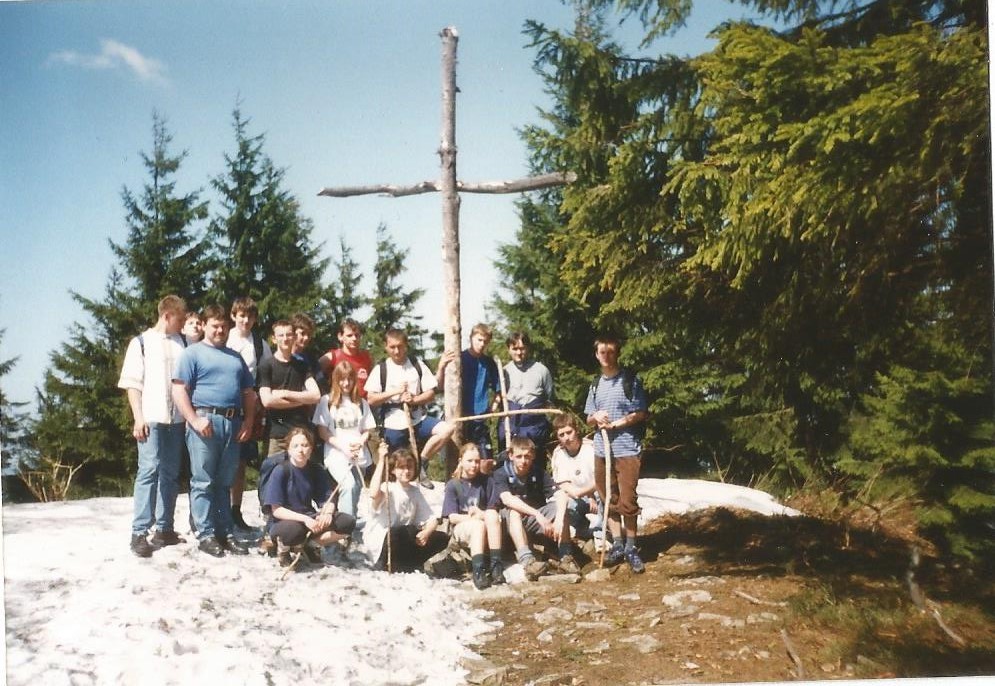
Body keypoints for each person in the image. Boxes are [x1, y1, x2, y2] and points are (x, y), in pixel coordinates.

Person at [171, 304, 258, 557]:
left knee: (224, 481)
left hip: (233, 423)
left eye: (223, 326)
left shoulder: (235, 357)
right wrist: (194, 419)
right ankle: (206, 534)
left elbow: (248, 393)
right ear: (204, 326)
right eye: (214, 326)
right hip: (204, 420)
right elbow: (179, 389)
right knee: (203, 480)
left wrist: (248, 422)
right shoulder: (192, 354)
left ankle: (225, 531)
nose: (220, 330)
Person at [118, 295, 189, 557]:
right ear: (167, 316)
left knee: (170, 473)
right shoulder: (141, 343)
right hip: (151, 418)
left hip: (177, 420)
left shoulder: (183, 343)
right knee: (149, 470)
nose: (182, 324)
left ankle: (164, 528)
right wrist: (138, 417)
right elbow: (132, 384)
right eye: (179, 319)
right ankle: (139, 533)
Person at [584, 334, 650, 573]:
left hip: (626, 448)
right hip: (602, 450)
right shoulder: (595, 384)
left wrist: (617, 424)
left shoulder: (630, 380)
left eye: (610, 352)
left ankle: (632, 547)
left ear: (617, 353)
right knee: (607, 498)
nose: (606, 356)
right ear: (596, 354)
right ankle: (618, 544)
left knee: (628, 500)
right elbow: (588, 417)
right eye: (602, 352)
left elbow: (640, 412)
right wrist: (596, 417)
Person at [364, 328, 455, 489]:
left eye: (400, 346)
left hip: (417, 419)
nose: (396, 351)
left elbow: (431, 393)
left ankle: (422, 463)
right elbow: (371, 399)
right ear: (386, 346)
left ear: (406, 345)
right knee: (395, 466)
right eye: (392, 347)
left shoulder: (416, 365)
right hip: (393, 422)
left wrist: (414, 400)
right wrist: (395, 392)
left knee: (447, 429)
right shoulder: (381, 369)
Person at [261, 427, 356, 567]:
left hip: (310, 517)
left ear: (311, 449)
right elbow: (277, 510)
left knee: (347, 522)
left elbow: (327, 498)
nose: (301, 450)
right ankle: (284, 550)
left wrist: (327, 513)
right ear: (289, 449)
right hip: (285, 521)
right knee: (294, 531)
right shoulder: (281, 471)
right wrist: (305, 519)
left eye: (305, 445)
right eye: (296, 446)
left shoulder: (316, 469)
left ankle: (310, 545)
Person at [226, 296, 272, 530]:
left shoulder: (260, 344)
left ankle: (235, 510)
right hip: (224, 401)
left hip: (248, 405)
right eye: (242, 315)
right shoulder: (224, 337)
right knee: (220, 459)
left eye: (250, 316)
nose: (245, 320)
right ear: (233, 315)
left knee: (240, 461)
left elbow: (267, 373)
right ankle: (218, 511)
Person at [363, 445, 447, 573]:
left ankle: (410, 563)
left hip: (404, 537)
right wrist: (381, 460)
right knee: (402, 532)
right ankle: (387, 563)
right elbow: (374, 493)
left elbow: (432, 519)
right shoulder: (388, 487)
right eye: (401, 467)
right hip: (385, 538)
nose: (406, 471)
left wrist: (426, 532)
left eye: (409, 467)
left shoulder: (415, 491)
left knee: (441, 538)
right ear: (393, 470)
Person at [312, 360, 375, 522]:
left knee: (356, 489)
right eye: (342, 379)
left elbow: (367, 429)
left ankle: (349, 522)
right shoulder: (327, 401)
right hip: (336, 454)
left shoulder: (361, 403)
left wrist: (360, 442)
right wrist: (344, 448)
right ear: (336, 380)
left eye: (349, 379)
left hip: (358, 454)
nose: (346, 383)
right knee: (348, 486)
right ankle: (345, 527)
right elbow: (323, 431)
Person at [490, 437, 561, 580]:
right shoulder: (500, 473)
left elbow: (560, 494)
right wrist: (537, 514)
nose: (523, 461)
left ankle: (565, 554)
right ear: (511, 456)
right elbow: (507, 499)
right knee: (514, 511)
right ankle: (527, 560)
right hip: (505, 523)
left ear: (533, 456)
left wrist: (559, 518)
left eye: (527, 456)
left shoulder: (538, 472)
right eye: (519, 456)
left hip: (530, 521)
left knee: (559, 507)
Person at [435, 323, 500, 469]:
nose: (482, 344)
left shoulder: (488, 363)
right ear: (471, 338)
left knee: (485, 460)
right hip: (459, 417)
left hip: (480, 419)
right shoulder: (460, 358)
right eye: (479, 340)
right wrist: (441, 366)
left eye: (485, 341)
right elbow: (439, 386)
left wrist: (492, 408)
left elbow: (499, 390)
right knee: (457, 460)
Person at [439, 443, 504, 589]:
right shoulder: (453, 485)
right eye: (469, 461)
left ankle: (496, 567)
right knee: (477, 525)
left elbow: (493, 509)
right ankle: (478, 570)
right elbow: (452, 517)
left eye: (477, 461)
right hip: (462, 528)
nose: (474, 465)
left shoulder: (487, 481)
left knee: (492, 515)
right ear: (461, 461)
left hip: (485, 526)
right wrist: (474, 518)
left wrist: (481, 514)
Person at [258, 320, 320, 457]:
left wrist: (285, 393)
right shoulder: (266, 365)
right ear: (274, 339)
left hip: (300, 434)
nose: (285, 339)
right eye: (281, 335)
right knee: (273, 470)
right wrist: (303, 400)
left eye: (289, 334)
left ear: (294, 337)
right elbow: (267, 401)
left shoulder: (302, 366)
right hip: (276, 435)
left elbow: (316, 396)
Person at [499, 332, 555, 474]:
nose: (519, 353)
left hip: (534, 427)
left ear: (528, 348)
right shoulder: (503, 372)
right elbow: (499, 399)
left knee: (535, 467)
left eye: (522, 348)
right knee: (508, 467)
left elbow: (549, 399)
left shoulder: (541, 370)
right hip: (511, 426)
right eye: (515, 349)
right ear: (508, 349)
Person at [550, 413, 599, 571]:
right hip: (576, 496)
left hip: (598, 493)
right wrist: (583, 494)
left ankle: (602, 535)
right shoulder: (559, 454)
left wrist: (591, 495)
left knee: (605, 512)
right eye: (561, 435)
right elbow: (564, 485)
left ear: (576, 430)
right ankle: (567, 552)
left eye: (569, 432)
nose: (566, 438)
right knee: (563, 506)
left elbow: (601, 478)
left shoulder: (591, 448)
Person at [319, 318, 373, 398]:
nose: (354, 338)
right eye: (349, 335)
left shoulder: (367, 357)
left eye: (357, 335)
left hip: (362, 402)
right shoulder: (332, 357)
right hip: (339, 402)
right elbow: (314, 374)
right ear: (340, 336)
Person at [290, 312, 327, 395]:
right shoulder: (282, 358)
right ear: (292, 332)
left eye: (309, 334)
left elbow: (322, 385)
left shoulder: (312, 360)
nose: (306, 338)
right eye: (302, 333)